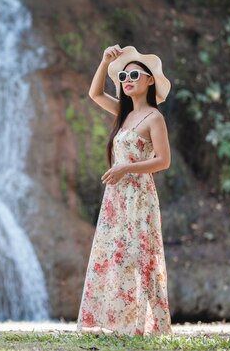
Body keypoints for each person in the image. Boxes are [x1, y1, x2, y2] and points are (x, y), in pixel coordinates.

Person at [76, 44, 173, 337]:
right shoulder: (124, 113)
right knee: (115, 254)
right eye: (123, 77)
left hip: (139, 196)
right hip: (116, 198)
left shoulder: (154, 118)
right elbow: (94, 94)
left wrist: (125, 168)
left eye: (134, 74)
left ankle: (142, 325)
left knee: (138, 254)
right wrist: (105, 62)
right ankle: (119, 322)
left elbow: (164, 160)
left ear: (150, 80)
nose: (127, 80)